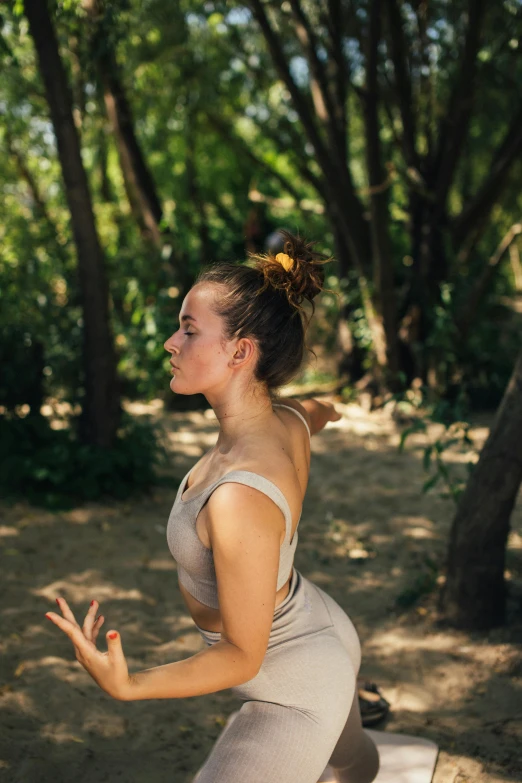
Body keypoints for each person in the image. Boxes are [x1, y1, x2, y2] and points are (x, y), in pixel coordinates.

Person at [44, 233, 380, 783]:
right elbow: (313, 411)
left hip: (294, 685)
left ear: (241, 352)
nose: (171, 343)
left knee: (344, 760)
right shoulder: (287, 422)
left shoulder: (238, 497)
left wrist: (132, 684)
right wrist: (332, 409)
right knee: (350, 761)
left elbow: (242, 656)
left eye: (189, 330)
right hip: (324, 626)